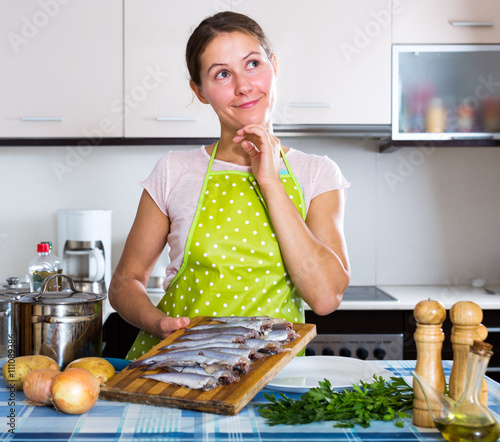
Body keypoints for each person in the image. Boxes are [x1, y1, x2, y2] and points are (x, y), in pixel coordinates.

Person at [109, 11, 351, 361]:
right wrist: (157, 322)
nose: (243, 86)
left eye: (252, 64)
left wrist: (269, 181)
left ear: (274, 66)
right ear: (200, 91)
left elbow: (326, 297)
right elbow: (124, 283)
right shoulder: (173, 171)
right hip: (177, 365)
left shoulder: (317, 174)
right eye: (222, 74)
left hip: (269, 378)